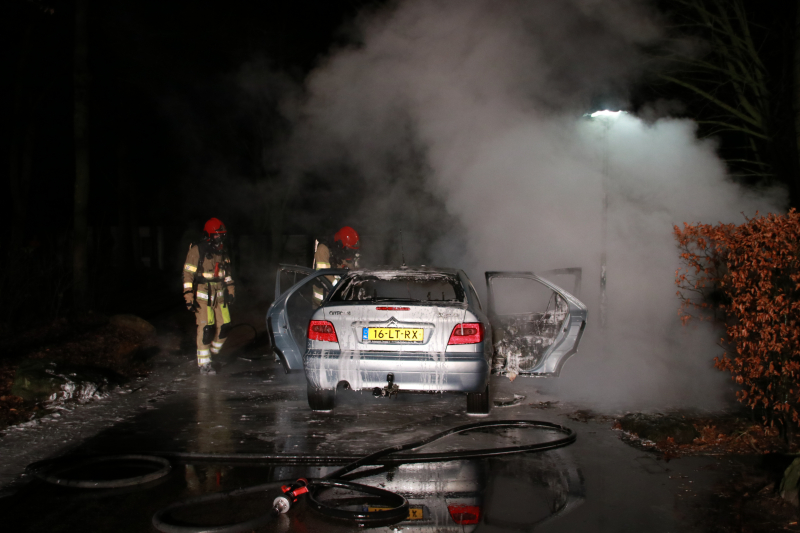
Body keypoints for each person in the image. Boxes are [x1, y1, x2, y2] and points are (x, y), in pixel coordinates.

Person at [183, 218, 235, 374]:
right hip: (202, 294)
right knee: (206, 328)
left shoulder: (222, 252)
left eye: (222, 235)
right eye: (218, 235)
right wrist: (188, 298)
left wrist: (231, 291)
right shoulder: (197, 250)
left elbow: (227, 275)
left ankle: (212, 353)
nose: (220, 239)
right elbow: (187, 275)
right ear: (209, 235)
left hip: (220, 295)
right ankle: (204, 364)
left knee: (225, 326)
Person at [312, 226, 360, 304]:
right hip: (322, 298)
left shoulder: (340, 250)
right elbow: (323, 272)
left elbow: (348, 267)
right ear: (340, 243)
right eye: (349, 250)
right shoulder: (323, 249)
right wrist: (339, 285)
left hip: (336, 296)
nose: (349, 253)